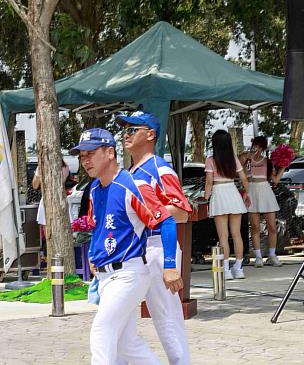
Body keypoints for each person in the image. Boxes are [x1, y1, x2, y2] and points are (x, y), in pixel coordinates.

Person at [73, 128, 182, 365]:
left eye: (90, 153)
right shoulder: (94, 189)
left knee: (101, 332)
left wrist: (170, 265)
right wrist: (94, 254)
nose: (85, 161)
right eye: (82, 156)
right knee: (126, 344)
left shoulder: (133, 185)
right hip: (106, 276)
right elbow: (99, 226)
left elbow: (167, 221)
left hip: (128, 273)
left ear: (110, 152)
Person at [118, 112, 191, 365]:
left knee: (167, 319)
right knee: (119, 316)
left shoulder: (160, 168)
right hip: (135, 252)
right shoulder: (128, 171)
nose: (125, 134)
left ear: (150, 134)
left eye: (132, 129)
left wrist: (141, 212)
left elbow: (181, 212)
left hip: (159, 246)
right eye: (124, 130)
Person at [204, 129, 252, 279]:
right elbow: (244, 179)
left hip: (219, 193)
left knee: (223, 235)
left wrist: (205, 199)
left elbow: (209, 182)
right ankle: (238, 268)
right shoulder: (234, 159)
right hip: (233, 192)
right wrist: (247, 193)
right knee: (237, 234)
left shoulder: (210, 160)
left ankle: (225, 270)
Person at [240, 136, 284, 267]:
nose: (257, 149)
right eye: (255, 145)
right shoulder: (246, 159)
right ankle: (258, 257)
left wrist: (283, 167)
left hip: (266, 191)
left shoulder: (267, 162)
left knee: (272, 226)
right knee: (254, 227)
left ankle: (272, 255)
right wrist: (246, 155)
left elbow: (275, 180)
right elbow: (237, 164)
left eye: (259, 146)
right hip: (251, 191)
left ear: (263, 148)